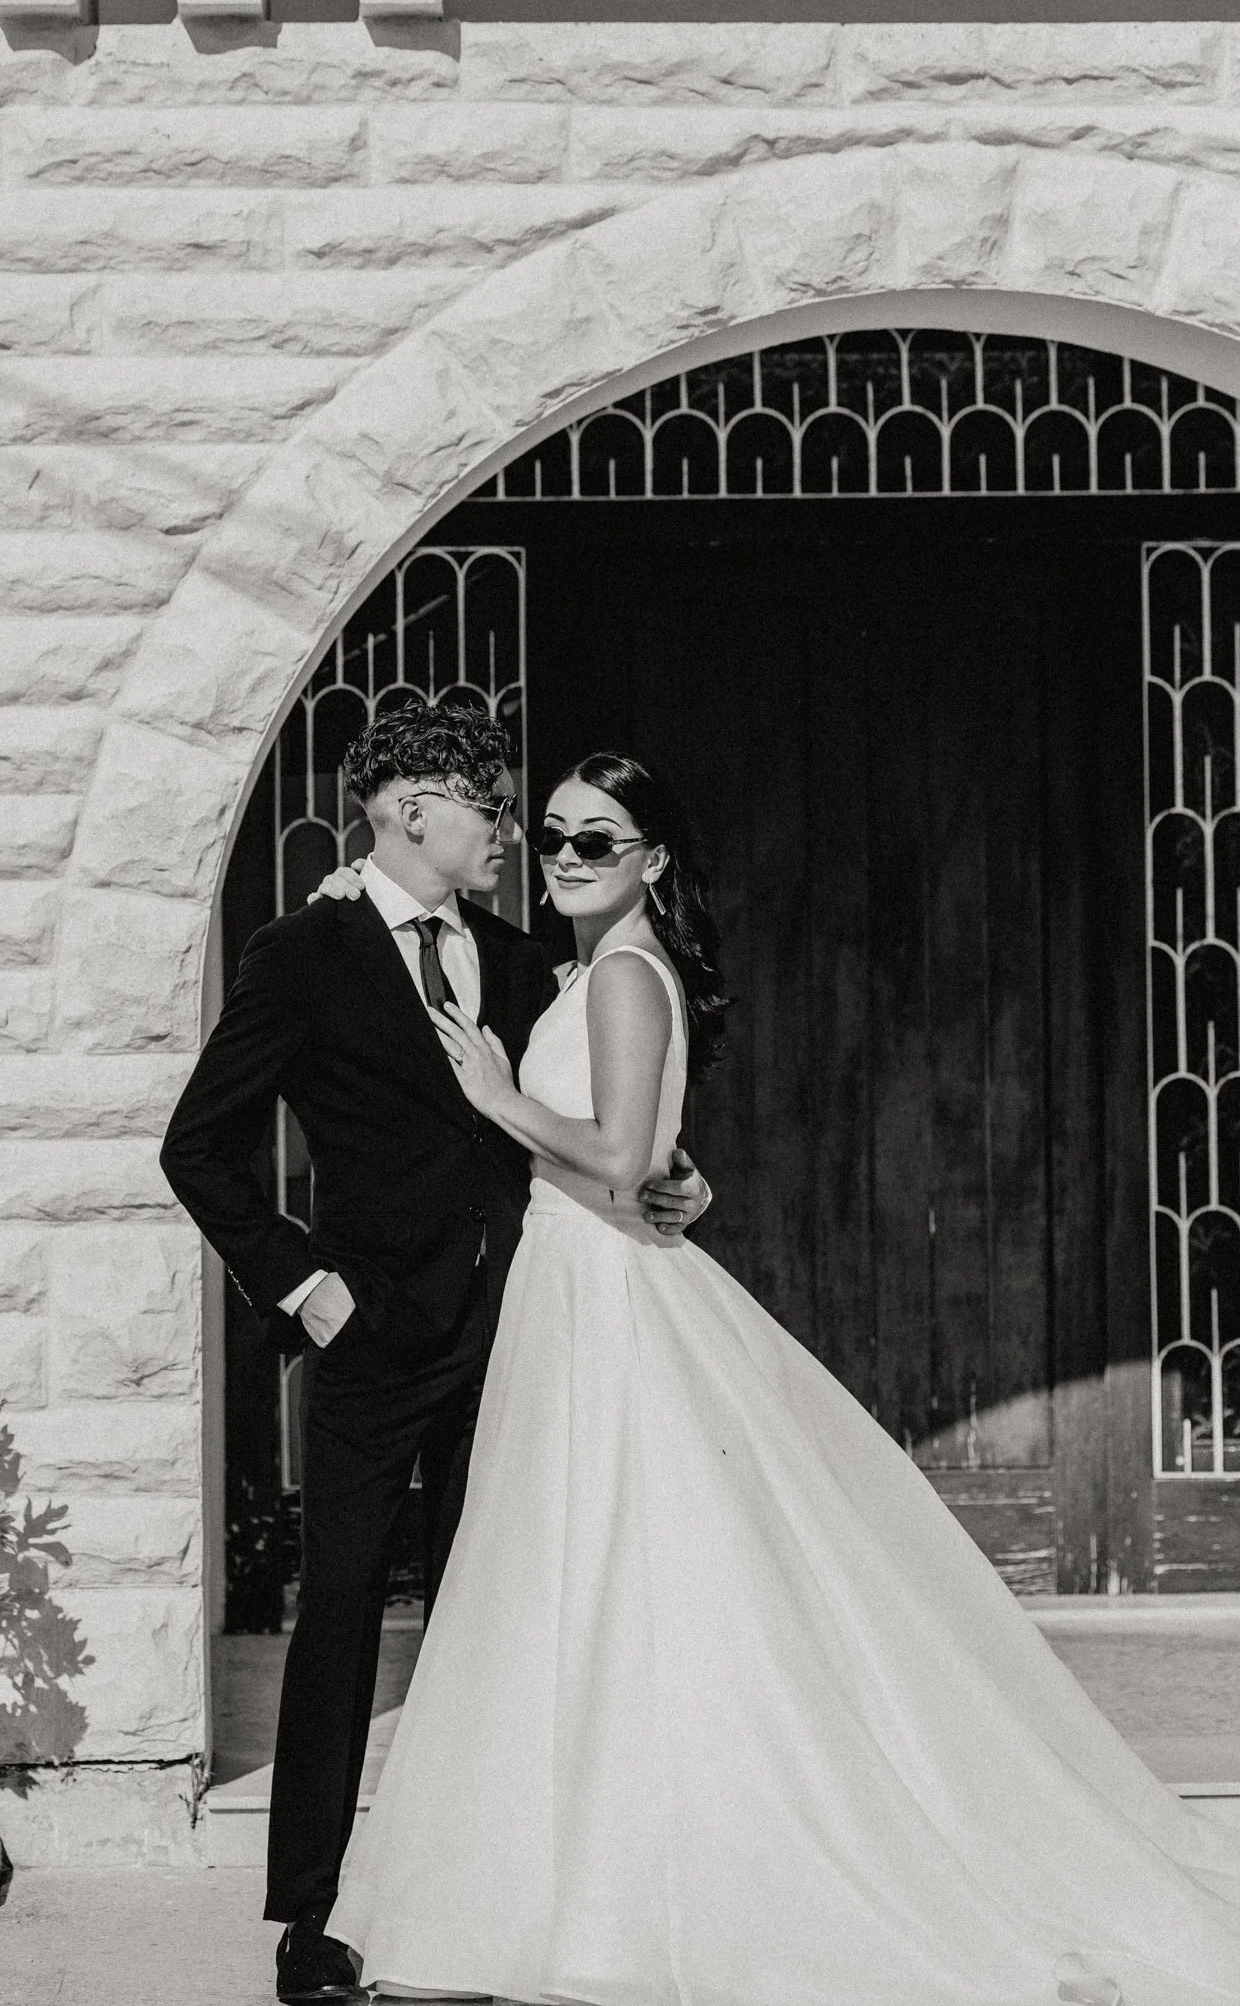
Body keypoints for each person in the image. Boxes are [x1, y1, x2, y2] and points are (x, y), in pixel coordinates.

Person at [329, 751, 1240, 2006]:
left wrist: (496, 1097)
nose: (564, 858)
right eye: (551, 834)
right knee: (577, 1582)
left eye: (599, 841)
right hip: (575, 1285)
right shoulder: (589, 970)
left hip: (608, 1295)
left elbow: (617, 1154)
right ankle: (569, 1884)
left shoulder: (627, 976)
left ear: (653, 859)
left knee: (624, 1575)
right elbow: (660, 1160)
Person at [158, 707, 710, 2006]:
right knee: (341, 1612)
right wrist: (300, 1283)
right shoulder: (303, 955)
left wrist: (679, 1179)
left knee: (500, 1617)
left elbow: (589, 1123)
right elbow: (198, 1147)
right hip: (367, 1339)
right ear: (409, 807)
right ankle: (309, 1917)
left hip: (515, 1337)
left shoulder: (519, 962)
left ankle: (495, 1890)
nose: (510, 837)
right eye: (489, 811)